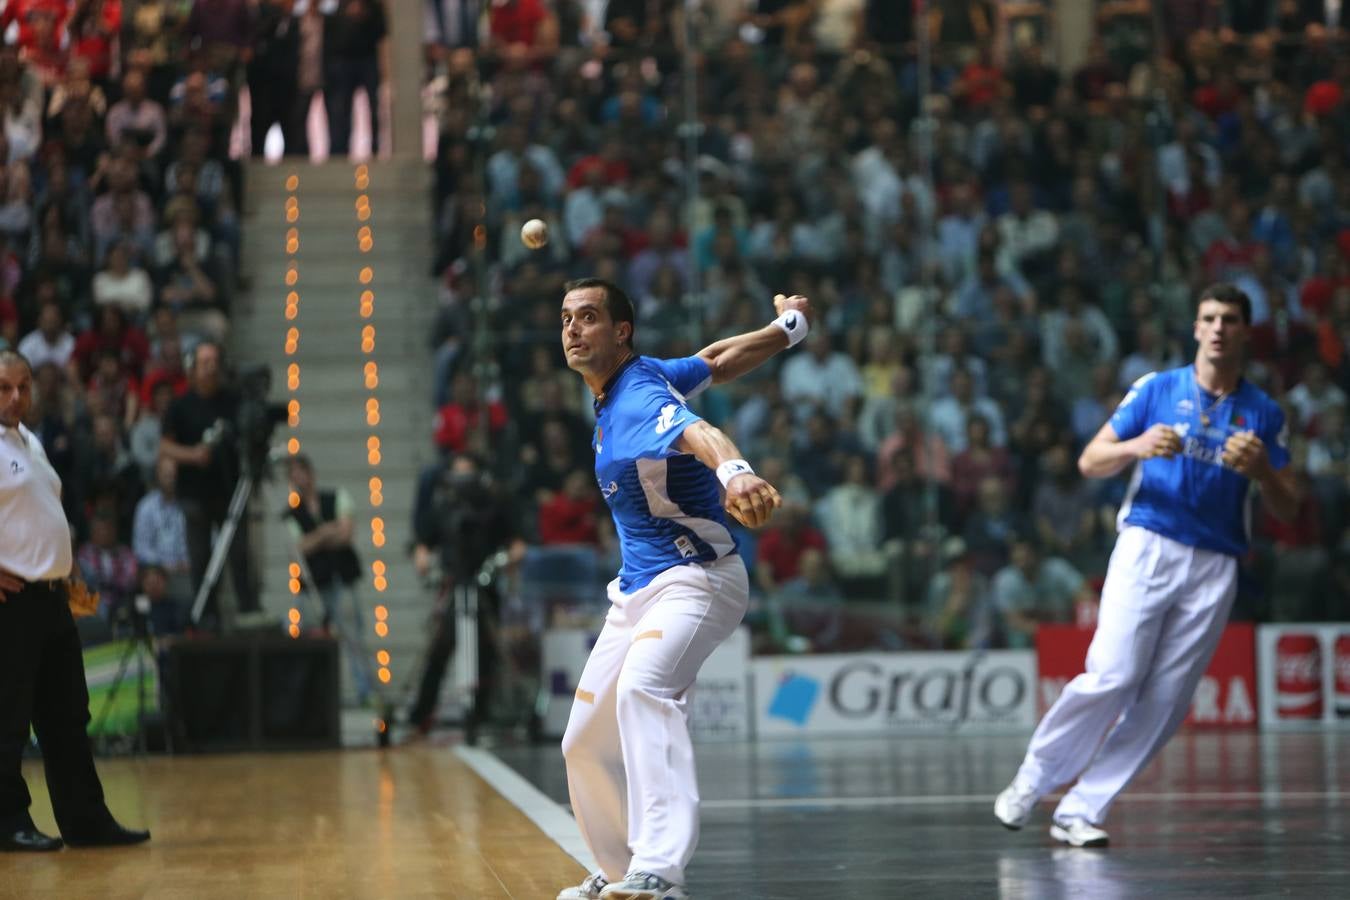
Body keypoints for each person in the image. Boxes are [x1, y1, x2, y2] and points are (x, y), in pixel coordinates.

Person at [994, 283, 1299, 847]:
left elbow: (1290, 503)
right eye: (1208, 317)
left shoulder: (1264, 412)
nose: (1217, 328)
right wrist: (1137, 447)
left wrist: (1263, 471)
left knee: (1164, 703)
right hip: (1148, 544)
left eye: (1229, 320)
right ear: (1195, 328)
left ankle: (1082, 810)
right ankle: (1032, 780)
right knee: (1114, 673)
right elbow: (1090, 460)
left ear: (1243, 332)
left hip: (1216, 564)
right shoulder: (1157, 389)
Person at [556, 278, 811, 900]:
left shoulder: (639, 394)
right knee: (582, 743)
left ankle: (659, 870)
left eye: (588, 318)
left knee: (645, 690)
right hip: (637, 589)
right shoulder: (637, 377)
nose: (571, 329)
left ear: (621, 332)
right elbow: (718, 360)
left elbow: (699, 434)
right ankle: (619, 873)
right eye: (566, 318)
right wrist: (786, 331)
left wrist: (735, 471)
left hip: (697, 580)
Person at [0, 349, 150, 852]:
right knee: (7, 717)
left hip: (52, 597)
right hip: (11, 603)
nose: (16, 396)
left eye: (23, 386)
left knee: (67, 715)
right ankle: (6, 822)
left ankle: (86, 820)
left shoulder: (31, 441)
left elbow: (46, 515)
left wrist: (68, 570)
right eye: (4, 387)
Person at [158, 341, 255, 627]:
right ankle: (207, 617)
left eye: (214, 361)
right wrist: (193, 455)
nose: (211, 367)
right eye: (205, 362)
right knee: (200, 558)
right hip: (195, 494)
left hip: (231, 491)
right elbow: (165, 447)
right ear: (194, 367)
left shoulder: (234, 401)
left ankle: (247, 612)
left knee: (239, 555)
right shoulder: (180, 405)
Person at [283, 454, 371, 704]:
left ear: (311, 473)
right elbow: (298, 549)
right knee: (307, 638)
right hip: (313, 584)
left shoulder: (336, 497)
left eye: (302, 472)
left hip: (341, 578)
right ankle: (310, 697)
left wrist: (316, 538)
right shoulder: (291, 514)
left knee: (354, 637)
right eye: (294, 474)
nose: (299, 478)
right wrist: (325, 531)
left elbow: (346, 534)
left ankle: (365, 690)